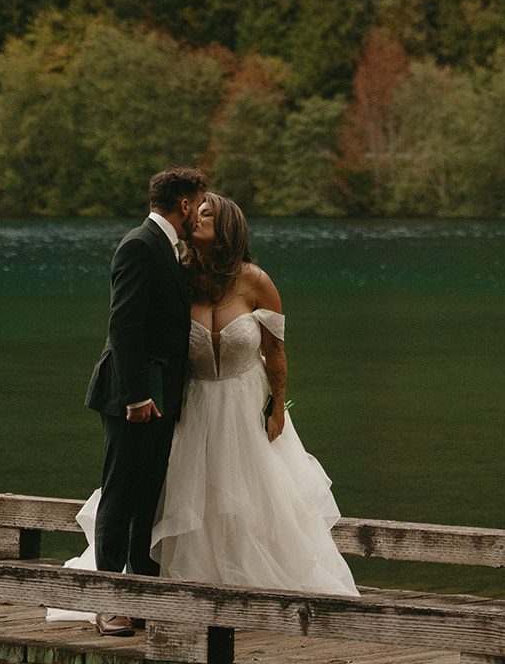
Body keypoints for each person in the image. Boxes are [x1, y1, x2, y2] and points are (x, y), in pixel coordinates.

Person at [151, 191, 358, 596]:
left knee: (252, 496)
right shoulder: (178, 276)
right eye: (193, 212)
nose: (195, 217)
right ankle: (193, 585)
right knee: (194, 495)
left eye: (206, 213)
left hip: (246, 404)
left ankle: (255, 584)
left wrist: (278, 407)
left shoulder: (256, 281)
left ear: (227, 225)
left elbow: (275, 351)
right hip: (193, 404)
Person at [82, 165, 206, 637]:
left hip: (161, 396)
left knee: (148, 497)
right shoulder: (139, 245)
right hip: (132, 397)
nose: (200, 211)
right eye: (200, 202)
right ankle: (107, 601)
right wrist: (136, 395)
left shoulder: (169, 249)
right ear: (186, 204)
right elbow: (123, 326)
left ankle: (143, 594)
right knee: (120, 494)